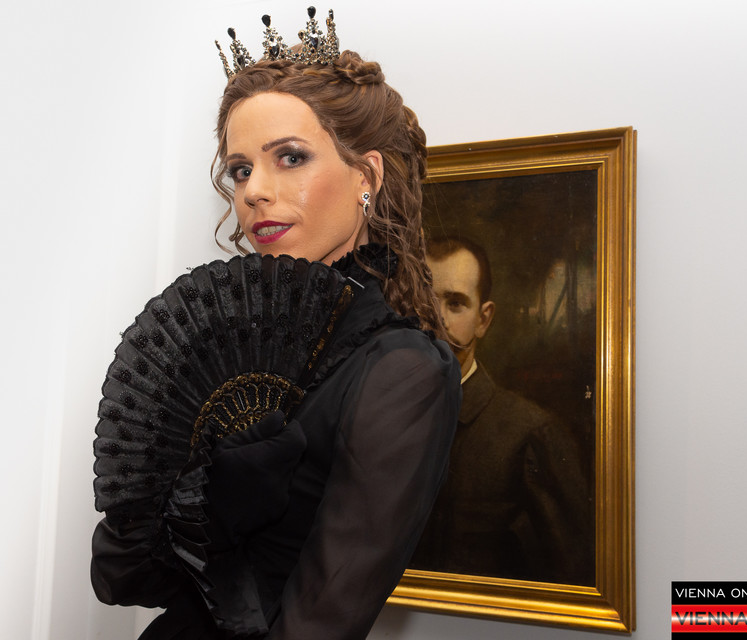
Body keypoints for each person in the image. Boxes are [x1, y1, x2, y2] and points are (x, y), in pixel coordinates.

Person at [90, 8, 462, 639]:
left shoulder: (403, 369)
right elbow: (122, 579)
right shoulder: (229, 341)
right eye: (241, 169)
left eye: (290, 157)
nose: (253, 191)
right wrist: (200, 501)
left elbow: (322, 623)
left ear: (368, 176)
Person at [409, 237, 593, 585]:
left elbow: (572, 581)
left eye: (455, 303)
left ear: (483, 319)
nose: (437, 319)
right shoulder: (385, 416)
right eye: (424, 300)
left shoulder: (531, 434)